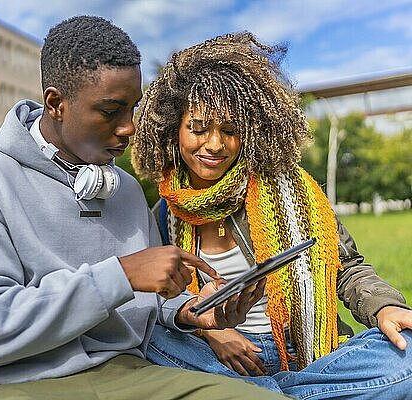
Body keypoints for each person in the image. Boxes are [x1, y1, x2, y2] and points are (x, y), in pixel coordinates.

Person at [0, 17, 286, 400]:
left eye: (132, 109)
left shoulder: (126, 190)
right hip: (7, 383)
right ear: (56, 104)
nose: (129, 127)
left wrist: (193, 311)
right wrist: (120, 275)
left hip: (124, 372)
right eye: (111, 110)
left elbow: (150, 302)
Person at [131, 31, 412, 399]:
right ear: (173, 130)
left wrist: (385, 306)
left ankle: (257, 393)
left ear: (250, 132)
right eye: (198, 128)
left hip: (308, 352)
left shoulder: (296, 191)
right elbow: (163, 302)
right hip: (217, 352)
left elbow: (346, 268)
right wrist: (213, 332)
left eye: (231, 131)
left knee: (406, 355)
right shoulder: (163, 213)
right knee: (145, 338)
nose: (215, 144)